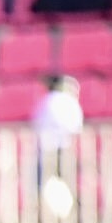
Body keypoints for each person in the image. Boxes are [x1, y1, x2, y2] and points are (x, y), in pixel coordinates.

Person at [33, 75, 84, 215]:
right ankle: (70, 214)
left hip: (47, 149)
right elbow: (77, 125)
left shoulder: (47, 101)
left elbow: (37, 123)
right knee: (65, 182)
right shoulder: (68, 101)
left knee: (45, 184)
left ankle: (55, 215)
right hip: (64, 147)